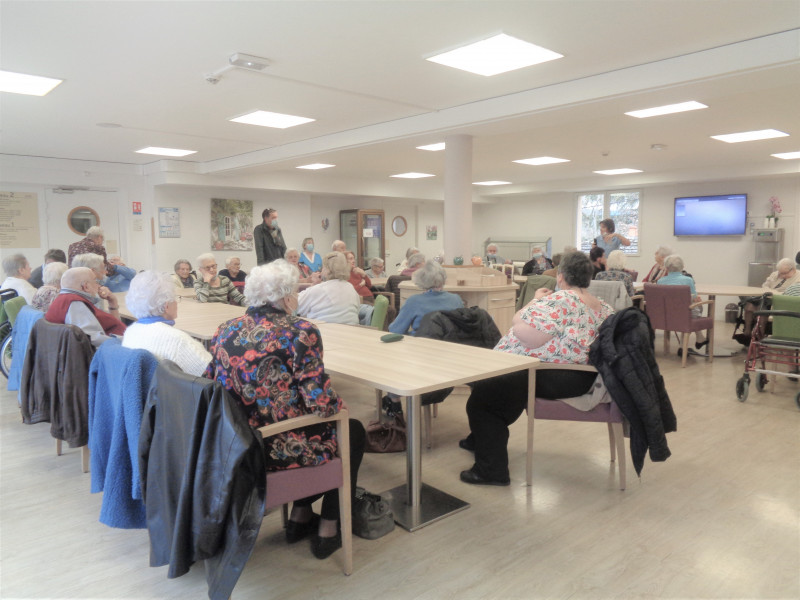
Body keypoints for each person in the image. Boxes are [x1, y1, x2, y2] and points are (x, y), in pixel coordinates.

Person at [204, 259, 366, 559]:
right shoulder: (300, 330)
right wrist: (340, 406)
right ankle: (328, 527)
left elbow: (210, 382)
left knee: (315, 425)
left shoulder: (225, 330)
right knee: (351, 429)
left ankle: (299, 518)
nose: (296, 296)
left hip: (236, 443)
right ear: (285, 296)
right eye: (294, 290)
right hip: (274, 448)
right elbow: (320, 401)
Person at [459, 252, 614, 486]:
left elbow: (527, 335)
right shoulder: (603, 306)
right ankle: (480, 440)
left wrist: (533, 302)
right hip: (582, 376)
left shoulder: (562, 300)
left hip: (556, 374)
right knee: (496, 388)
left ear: (560, 276)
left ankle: (491, 470)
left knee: (483, 399)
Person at [121, 271, 211, 376]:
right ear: (166, 306)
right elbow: (211, 373)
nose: (177, 302)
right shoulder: (177, 340)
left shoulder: (130, 331)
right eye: (176, 298)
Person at [45, 267, 126, 347]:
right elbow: (91, 338)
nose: (98, 285)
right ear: (85, 286)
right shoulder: (75, 303)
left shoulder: (63, 299)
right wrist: (124, 340)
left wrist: (112, 302)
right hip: (105, 351)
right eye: (96, 281)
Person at [734, 257, 800, 345]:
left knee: (759, 307)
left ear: (793, 269)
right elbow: (765, 285)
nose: (782, 275)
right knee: (750, 304)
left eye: (784, 273)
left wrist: (775, 293)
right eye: (780, 273)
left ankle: (759, 335)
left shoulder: (798, 277)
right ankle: (748, 332)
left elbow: (790, 292)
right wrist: (768, 290)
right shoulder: (775, 274)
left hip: (778, 301)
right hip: (765, 297)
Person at [389, 260, 463, 335]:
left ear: (421, 279)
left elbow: (396, 330)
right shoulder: (456, 299)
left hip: (421, 343)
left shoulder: (414, 301)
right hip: (451, 343)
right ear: (443, 278)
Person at [658, 255, 708, 349]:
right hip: (685, 314)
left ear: (666, 267)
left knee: (684, 309)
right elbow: (694, 297)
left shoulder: (660, 281)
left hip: (666, 316)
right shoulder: (688, 280)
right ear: (683, 267)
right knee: (693, 307)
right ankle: (684, 345)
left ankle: (697, 339)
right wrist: (697, 299)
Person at [297, 251, 360, 325]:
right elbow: (357, 310)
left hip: (325, 334)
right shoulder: (350, 287)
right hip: (352, 332)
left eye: (323, 267)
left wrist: (313, 285)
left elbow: (294, 306)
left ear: (328, 270)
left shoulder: (319, 289)